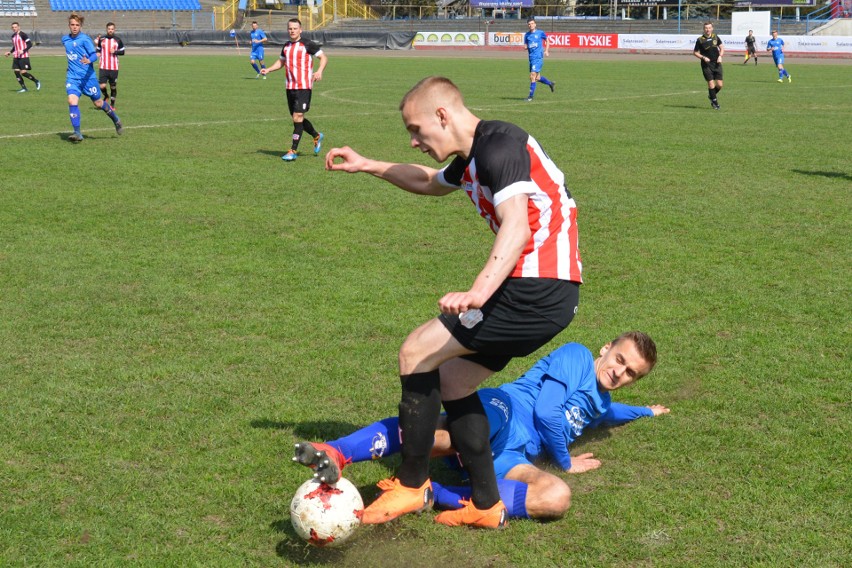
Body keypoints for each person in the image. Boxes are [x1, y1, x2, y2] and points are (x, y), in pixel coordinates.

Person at [325, 76, 583, 529]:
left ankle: (411, 484)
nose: (414, 140)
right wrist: (366, 165)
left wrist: (476, 293)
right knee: (453, 381)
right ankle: (486, 504)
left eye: (417, 129)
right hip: (541, 293)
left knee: (416, 350)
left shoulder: (500, 147)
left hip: (536, 289)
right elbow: (428, 182)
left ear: (442, 115)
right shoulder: (472, 158)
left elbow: (517, 227)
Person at [294, 332, 667, 520]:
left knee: (555, 496)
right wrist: (566, 461)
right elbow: (549, 413)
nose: (619, 372)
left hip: (512, 454)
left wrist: (647, 412)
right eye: (619, 359)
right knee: (444, 437)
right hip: (506, 410)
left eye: (631, 373)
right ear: (606, 349)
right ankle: (338, 450)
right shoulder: (578, 357)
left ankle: (435, 492)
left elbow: (610, 412)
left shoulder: (602, 400)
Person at [261, 18, 326, 161]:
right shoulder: (286, 46)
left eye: (295, 28)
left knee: (297, 117)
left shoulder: (307, 44)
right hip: (290, 87)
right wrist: (269, 70)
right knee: (297, 119)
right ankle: (316, 135)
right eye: (290, 28)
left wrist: (319, 71)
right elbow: (281, 62)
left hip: (304, 87)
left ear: (300, 30)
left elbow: (323, 57)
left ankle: (293, 150)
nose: (292, 31)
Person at [62, 14, 123, 142]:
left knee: (98, 102)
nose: (74, 27)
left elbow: (95, 55)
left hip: (88, 78)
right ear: (69, 25)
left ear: (80, 26)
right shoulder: (65, 40)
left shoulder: (85, 39)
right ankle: (77, 133)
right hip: (73, 78)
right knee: (71, 100)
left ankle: (116, 119)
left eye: (77, 25)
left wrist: (88, 60)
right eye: (72, 24)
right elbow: (71, 55)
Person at [693, 21, 724, 110]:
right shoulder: (700, 40)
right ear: (704, 29)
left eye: (709, 28)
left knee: (720, 85)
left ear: (712, 28)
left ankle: (711, 95)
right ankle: (715, 102)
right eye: (706, 28)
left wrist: (720, 56)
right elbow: (695, 52)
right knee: (711, 83)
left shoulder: (716, 37)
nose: (708, 30)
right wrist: (703, 57)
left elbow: (722, 47)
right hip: (706, 65)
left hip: (717, 63)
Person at [522, 17, 554, 102]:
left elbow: (547, 40)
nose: (530, 25)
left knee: (532, 76)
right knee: (537, 78)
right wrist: (525, 47)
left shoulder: (540, 33)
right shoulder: (527, 35)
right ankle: (550, 83)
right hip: (531, 58)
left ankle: (530, 97)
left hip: (538, 57)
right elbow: (526, 45)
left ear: (535, 24)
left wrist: (546, 51)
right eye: (529, 24)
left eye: (532, 23)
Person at [95, 22, 125, 109]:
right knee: (102, 86)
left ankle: (112, 105)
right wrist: (97, 53)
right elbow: (98, 49)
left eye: (112, 29)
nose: (110, 30)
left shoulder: (118, 40)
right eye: (109, 29)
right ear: (106, 29)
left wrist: (115, 52)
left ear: (114, 30)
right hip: (103, 66)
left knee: (113, 86)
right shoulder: (102, 39)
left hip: (114, 67)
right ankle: (106, 96)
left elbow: (123, 51)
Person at [5, 22, 40, 93]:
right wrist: (10, 52)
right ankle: (24, 88)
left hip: (23, 57)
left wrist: (23, 51)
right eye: (13, 27)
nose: (14, 28)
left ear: (19, 27)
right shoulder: (13, 36)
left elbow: (30, 44)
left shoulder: (23, 35)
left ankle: (36, 81)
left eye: (15, 27)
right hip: (16, 56)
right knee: (16, 72)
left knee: (23, 73)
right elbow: (15, 47)